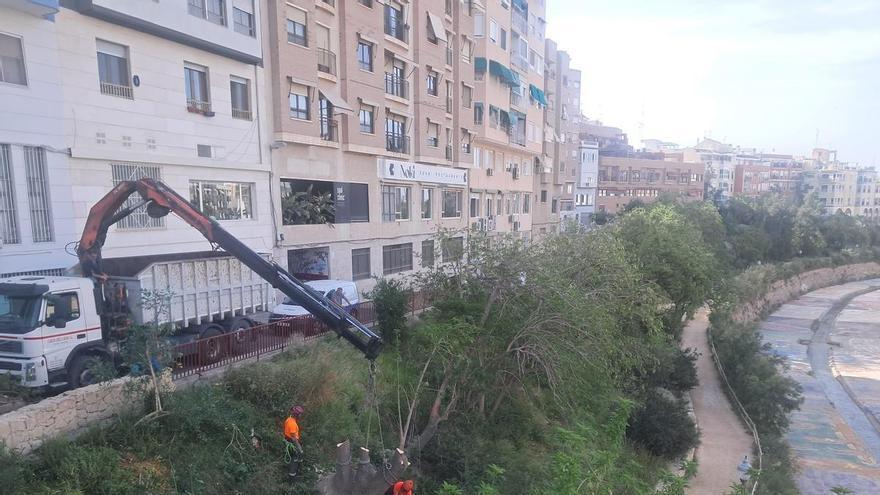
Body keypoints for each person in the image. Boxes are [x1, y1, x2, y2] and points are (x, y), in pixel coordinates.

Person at [284, 406, 304, 481]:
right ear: (297, 415)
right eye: (300, 414)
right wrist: (300, 449)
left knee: (294, 458)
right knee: (294, 460)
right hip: (292, 443)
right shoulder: (292, 423)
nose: (301, 416)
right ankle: (292, 478)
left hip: (288, 441)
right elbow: (294, 439)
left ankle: (296, 471)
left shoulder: (289, 419)